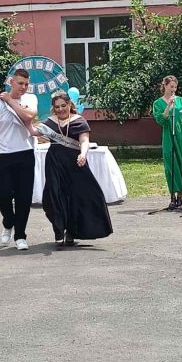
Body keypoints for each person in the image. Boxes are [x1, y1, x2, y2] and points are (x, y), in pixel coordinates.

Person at [33, 91, 112, 246]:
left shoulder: (79, 121)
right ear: (53, 108)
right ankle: (58, 230)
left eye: (63, 105)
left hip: (75, 162)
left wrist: (83, 154)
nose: (60, 109)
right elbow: (32, 132)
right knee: (54, 195)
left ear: (69, 104)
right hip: (54, 162)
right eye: (57, 107)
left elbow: (84, 140)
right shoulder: (49, 122)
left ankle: (71, 231)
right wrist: (23, 113)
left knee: (77, 196)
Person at [0, 69, 38, 251]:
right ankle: (8, 221)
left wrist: (10, 100)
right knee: (2, 195)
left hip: (26, 152)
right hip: (4, 154)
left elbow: (29, 116)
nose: (23, 87)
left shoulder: (30, 99)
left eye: (26, 84)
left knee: (24, 197)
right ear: (11, 82)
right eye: (20, 83)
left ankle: (20, 235)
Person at [153, 76, 182, 209]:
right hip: (169, 137)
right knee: (171, 166)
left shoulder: (181, 100)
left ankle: (180, 198)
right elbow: (161, 120)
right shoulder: (158, 103)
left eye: (175, 87)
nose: (173, 89)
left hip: (181, 136)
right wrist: (169, 105)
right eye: (171, 87)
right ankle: (172, 198)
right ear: (165, 86)